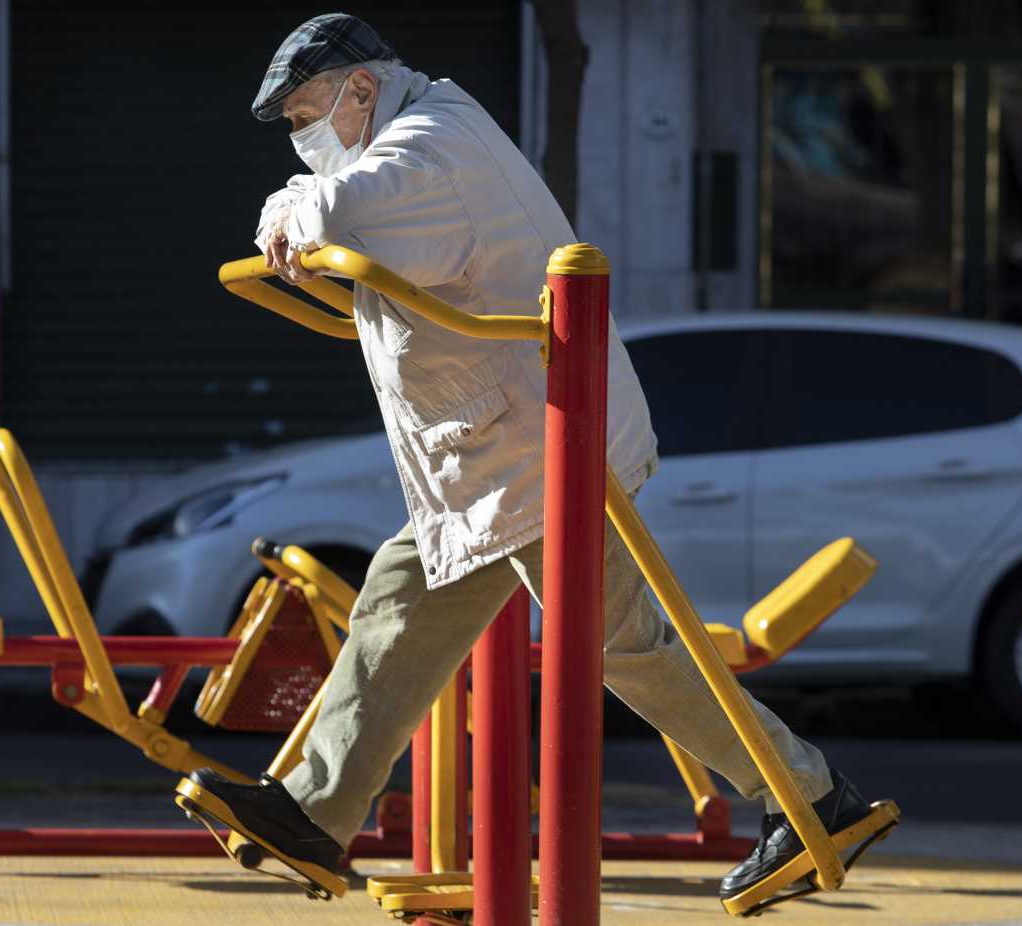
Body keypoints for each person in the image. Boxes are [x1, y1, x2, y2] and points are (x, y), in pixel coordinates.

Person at [182, 12, 888, 909]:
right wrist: (291, 205)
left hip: (538, 452)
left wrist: (290, 206)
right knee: (399, 602)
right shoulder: (414, 133)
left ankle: (814, 800)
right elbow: (323, 216)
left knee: (628, 648)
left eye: (306, 114)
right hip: (493, 461)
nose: (301, 136)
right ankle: (314, 816)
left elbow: (343, 214)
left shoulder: (430, 149)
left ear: (361, 89)